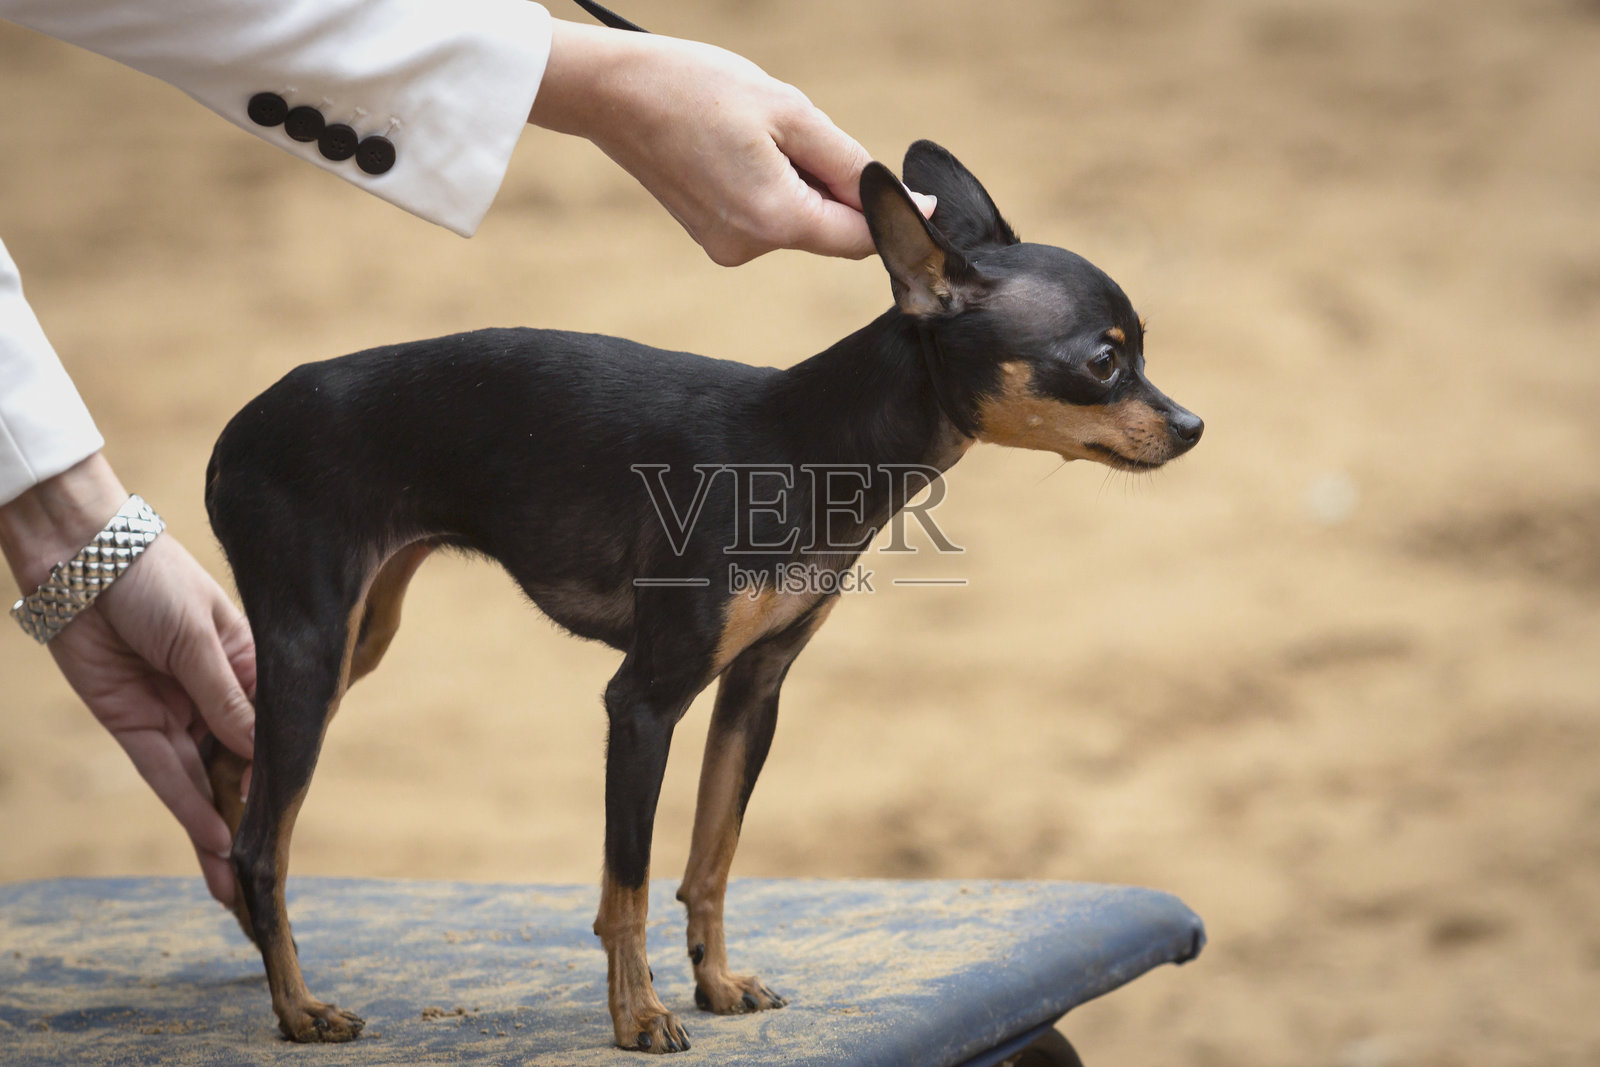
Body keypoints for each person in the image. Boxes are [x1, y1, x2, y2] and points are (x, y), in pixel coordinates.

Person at [0, 1, 934, 907]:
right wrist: (600, 85)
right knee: (335, 661)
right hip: (331, 451)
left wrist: (69, 526)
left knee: (356, 647)